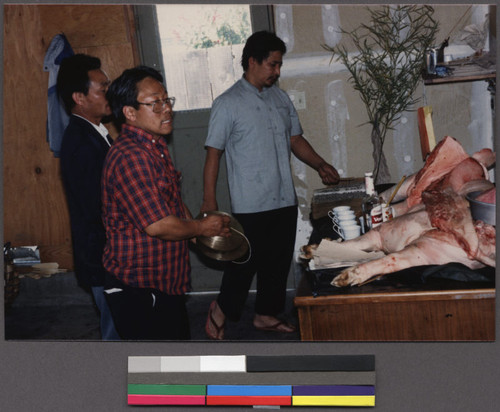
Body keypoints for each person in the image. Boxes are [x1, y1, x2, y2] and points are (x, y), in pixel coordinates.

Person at [201, 31, 340, 340]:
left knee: (276, 264)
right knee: (243, 263)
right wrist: (208, 202)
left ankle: (265, 315)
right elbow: (213, 155)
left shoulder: (280, 98)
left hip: (283, 198)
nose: (277, 72)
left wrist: (320, 164)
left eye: (279, 65)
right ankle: (220, 310)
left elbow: (295, 139)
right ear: (253, 61)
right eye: (272, 65)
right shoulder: (227, 103)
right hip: (251, 202)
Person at [102, 66, 230, 340]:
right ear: (129, 112)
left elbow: (171, 200)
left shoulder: (154, 147)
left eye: (167, 100)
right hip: (138, 288)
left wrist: (199, 234)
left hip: (163, 282)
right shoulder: (130, 157)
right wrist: (200, 228)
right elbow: (158, 225)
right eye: (155, 103)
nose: (166, 109)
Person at [57, 53, 120, 340]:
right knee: (117, 332)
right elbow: (97, 208)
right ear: (79, 98)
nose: (110, 93)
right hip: (103, 257)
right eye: (102, 88)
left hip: (109, 254)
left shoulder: (97, 132)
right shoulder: (80, 143)